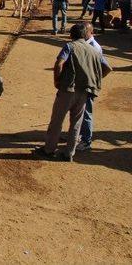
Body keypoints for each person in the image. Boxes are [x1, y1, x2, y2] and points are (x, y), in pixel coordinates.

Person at [33, 23, 104, 161]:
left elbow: (59, 63)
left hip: (68, 89)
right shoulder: (95, 50)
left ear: (72, 35)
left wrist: (57, 81)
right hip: (84, 91)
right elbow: (106, 68)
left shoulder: (70, 46)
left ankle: (48, 150)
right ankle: (69, 153)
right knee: (76, 123)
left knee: (57, 121)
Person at [76, 22, 112, 151]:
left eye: (84, 32)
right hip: (83, 84)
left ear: (90, 33)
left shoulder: (94, 47)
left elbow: (107, 67)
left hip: (88, 86)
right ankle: (80, 136)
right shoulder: (86, 44)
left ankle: (86, 141)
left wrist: (96, 80)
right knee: (80, 111)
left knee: (86, 113)